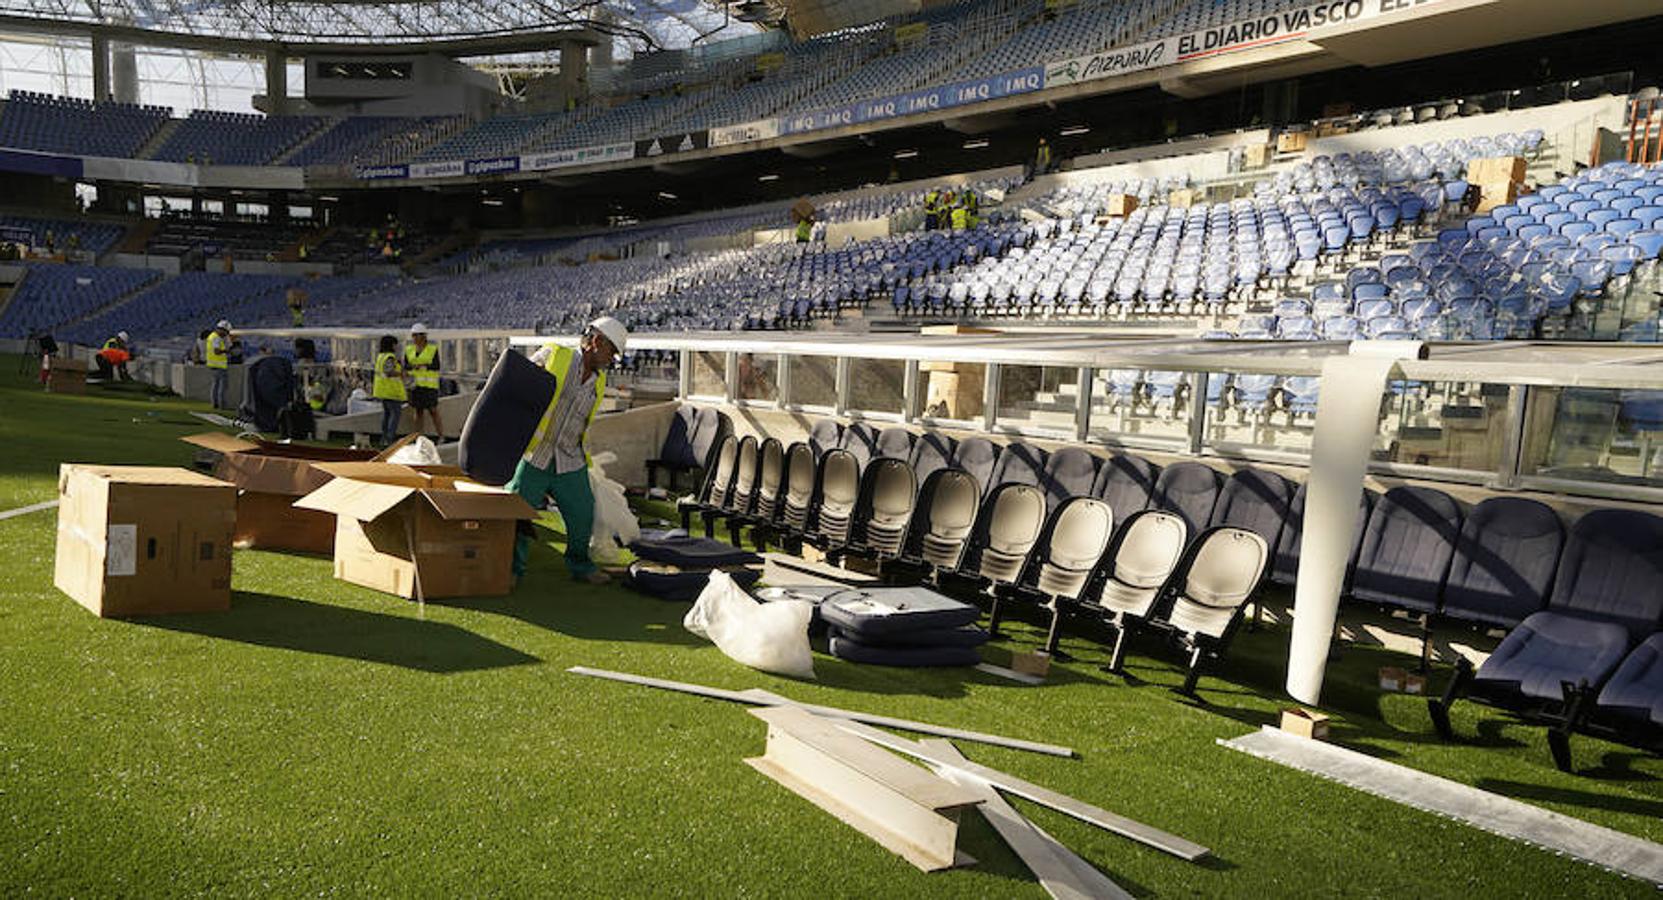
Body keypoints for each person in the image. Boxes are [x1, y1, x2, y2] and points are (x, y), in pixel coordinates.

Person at [507, 316, 627, 586]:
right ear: (596, 342)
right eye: (611, 351)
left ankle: (580, 566)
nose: (612, 359)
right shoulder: (555, 356)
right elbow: (515, 381)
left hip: (569, 458)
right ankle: (511, 569)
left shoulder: (599, 381)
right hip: (535, 454)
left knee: (583, 512)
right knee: (516, 513)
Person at [403, 323, 444, 440]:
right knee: (418, 411)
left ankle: (441, 436)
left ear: (423, 336)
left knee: (433, 411)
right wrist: (411, 368)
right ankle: (418, 437)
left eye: (418, 335)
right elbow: (406, 365)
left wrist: (424, 366)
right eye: (414, 336)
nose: (415, 338)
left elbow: (436, 366)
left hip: (429, 386)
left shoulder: (432, 349)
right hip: (415, 386)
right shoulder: (409, 349)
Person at [372, 334, 407, 447]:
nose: (397, 347)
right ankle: (389, 439)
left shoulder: (380, 356)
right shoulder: (390, 357)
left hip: (382, 390)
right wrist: (401, 373)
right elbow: (389, 371)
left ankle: (384, 438)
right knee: (394, 416)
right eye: (395, 344)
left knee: (387, 415)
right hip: (391, 391)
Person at [206, 320, 231, 409]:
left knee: (215, 385)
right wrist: (226, 351)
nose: (226, 334)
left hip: (213, 364)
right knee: (223, 386)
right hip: (219, 365)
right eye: (226, 332)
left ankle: (215, 403)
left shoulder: (212, 336)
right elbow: (216, 351)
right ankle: (222, 404)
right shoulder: (216, 338)